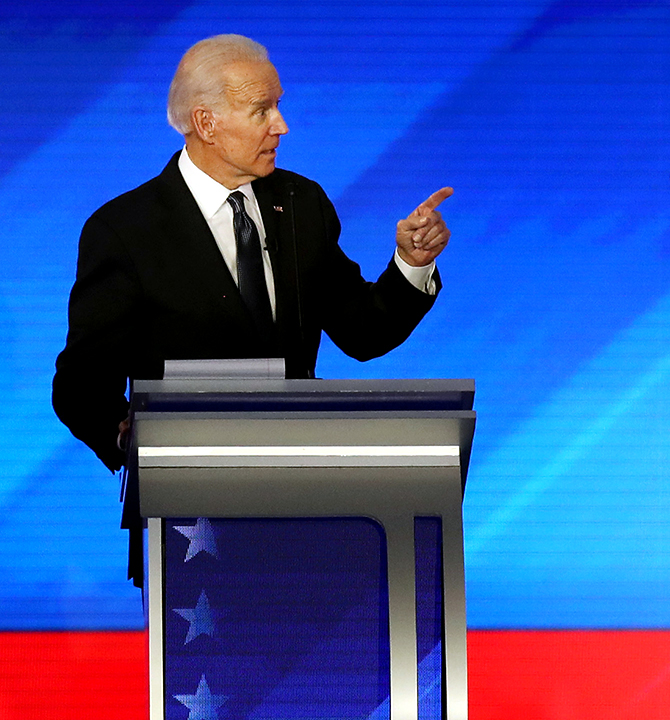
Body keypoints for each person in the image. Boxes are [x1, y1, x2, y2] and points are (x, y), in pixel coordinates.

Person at [52, 34, 453, 584]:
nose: (281, 124)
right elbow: (81, 387)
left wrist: (410, 263)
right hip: (189, 532)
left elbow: (363, 331)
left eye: (278, 106)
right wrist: (136, 442)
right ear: (207, 122)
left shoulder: (302, 205)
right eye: (261, 109)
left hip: (309, 512)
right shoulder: (125, 231)